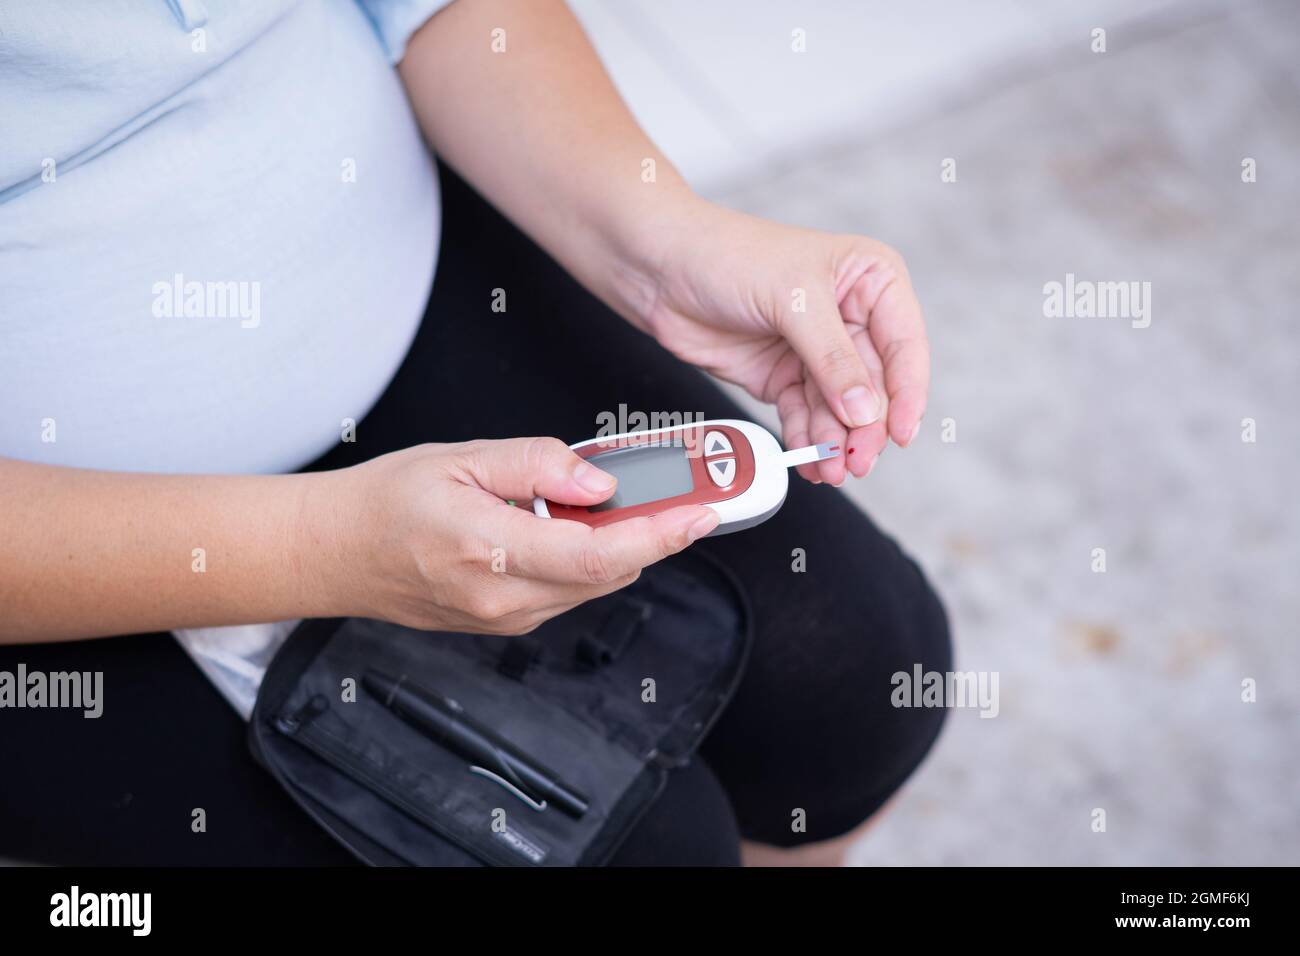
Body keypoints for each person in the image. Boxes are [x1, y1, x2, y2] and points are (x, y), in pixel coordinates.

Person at [0, 0, 950, 866]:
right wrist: (316, 547)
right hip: (70, 548)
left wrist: (663, 246)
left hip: (396, 266)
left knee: (862, 676)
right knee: (648, 851)